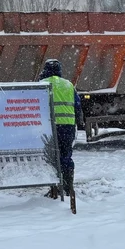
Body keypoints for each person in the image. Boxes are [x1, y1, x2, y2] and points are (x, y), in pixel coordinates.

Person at [39, 58, 83, 199]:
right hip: (68, 126)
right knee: (66, 156)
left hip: (50, 127)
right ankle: (68, 187)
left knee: (52, 158)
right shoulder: (68, 84)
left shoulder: (42, 84)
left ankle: (55, 188)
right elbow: (77, 105)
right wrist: (78, 121)